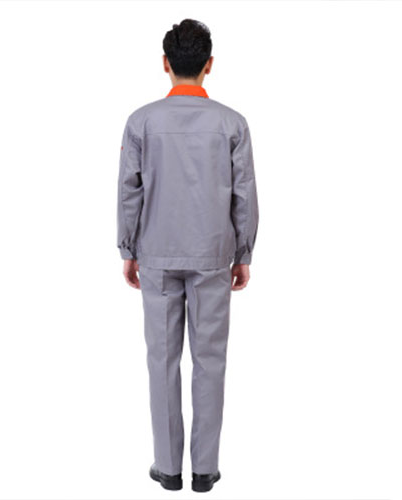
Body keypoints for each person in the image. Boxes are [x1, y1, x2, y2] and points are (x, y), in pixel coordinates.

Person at [116, 18, 259, 493]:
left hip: (156, 253)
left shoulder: (141, 122)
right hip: (213, 254)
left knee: (161, 361)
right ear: (209, 64)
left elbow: (130, 191)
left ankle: (167, 468)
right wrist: (243, 253)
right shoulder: (232, 123)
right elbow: (244, 194)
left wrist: (128, 248)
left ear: (165, 63)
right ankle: (205, 470)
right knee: (210, 361)